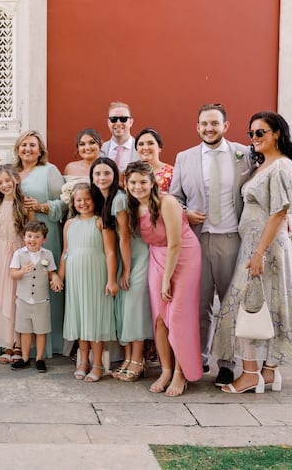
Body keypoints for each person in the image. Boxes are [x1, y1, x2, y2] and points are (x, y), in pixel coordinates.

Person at [212, 112, 292, 394]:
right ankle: (267, 373)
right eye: (251, 133)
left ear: (277, 133)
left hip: (263, 248)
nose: (254, 138)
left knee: (246, 304)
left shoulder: (281, 167)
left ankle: (251, 374)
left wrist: (259, 253)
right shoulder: (265, 165)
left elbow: (279, 212)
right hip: (255, 244)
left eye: (261, 132)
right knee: (266, 304)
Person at [169, 103, 253, 387]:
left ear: (225, 126)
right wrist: (185, 213)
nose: (209, 128)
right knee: (200, 303)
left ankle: (228, 363)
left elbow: (256, 192)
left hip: (232, 239)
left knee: (230, 303)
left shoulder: (244, 155)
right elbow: (174, 198)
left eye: (214, 123)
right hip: (197, 241)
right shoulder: (185, 157)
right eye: (204, 123)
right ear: (197, 127)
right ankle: (200, 358)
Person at [124, 161, 203, 397]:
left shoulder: (166, 202)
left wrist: (167, 279)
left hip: (183, 256)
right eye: (133, 182)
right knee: (159, 318)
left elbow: (176, 242)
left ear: (152, 183)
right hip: (157, 256)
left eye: (142, 182)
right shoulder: (132, 205)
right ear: (126, 184)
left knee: (178, 317)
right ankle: (166, 370)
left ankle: (181, 372)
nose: (137, 187)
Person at [14, 130, 66, 356]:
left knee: (45, 281)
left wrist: (42, 207)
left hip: (45, 234)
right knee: (22, 281)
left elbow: (64, 204)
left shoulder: (49, 171)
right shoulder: (12, 172)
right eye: (23, 145)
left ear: (40, 150)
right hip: (19, 236)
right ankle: (21, 342)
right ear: (18, 149)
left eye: (32, 145)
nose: (27, 149)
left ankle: (49, 342)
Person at [59, 182, 118, 382]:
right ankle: (83, 361)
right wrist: (60, 276)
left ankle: (98, 363)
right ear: (73, 202)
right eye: (78, 200)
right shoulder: (69, 224)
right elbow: (65, 252)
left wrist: (111, 280)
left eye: (87, 199)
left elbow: (110, 252)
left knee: (93, 318)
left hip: (96, 275)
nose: (83, 203)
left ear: (94, 200)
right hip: (75, 278)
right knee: (79, 317)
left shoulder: (101, 222)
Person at [89, 157, 134, 376]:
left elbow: (125, 237)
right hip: (120, 254)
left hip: (132, 254)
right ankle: (127, 359)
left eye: (106, 173)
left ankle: (133, 360)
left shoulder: (118, 199)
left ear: (115, 175)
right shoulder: (103, 199)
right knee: (122, 310)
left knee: (130, 308)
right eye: (97, 174)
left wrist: (125, 270)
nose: (102, 178)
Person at [0, 164, 33, 363]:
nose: (5, 185)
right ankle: (6, 342)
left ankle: (19, 343)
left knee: (15, 297)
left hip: (18, 251)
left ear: (16, 180)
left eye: (7, 180)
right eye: (0, 182)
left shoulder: (24, 203)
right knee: (0, 296)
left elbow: (32, 230)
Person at [9, 221, 63, 372]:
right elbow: (13, 273)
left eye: (37, 236)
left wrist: (55, 277)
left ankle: (39, 358)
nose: (32, 240)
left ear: (44, 239)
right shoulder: (19, 254)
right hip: (23, 299)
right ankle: (25, 358)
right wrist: (22, 271)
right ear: (24, 237)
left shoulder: (48, 254)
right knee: (25, 331)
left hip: (41, 300)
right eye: (29, 236)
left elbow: (50, 271)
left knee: (41, 331)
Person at [101, 102, 139, 172]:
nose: (118, 123)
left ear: (131, 122)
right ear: (108, 122)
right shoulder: (100, 150)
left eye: (123, 119)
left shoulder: (140, 149)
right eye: (113, 119)